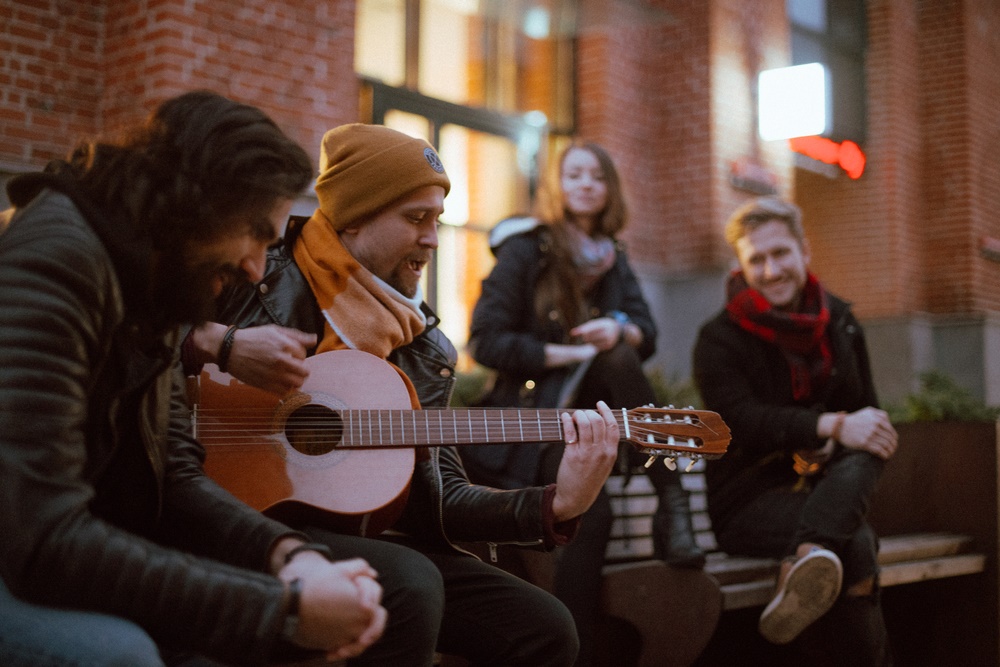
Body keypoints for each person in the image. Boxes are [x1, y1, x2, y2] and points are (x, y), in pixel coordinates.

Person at [181, 123, 622, 666]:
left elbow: (441, 496)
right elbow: (138, 338)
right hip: (227, 511)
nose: (433, 239)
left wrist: (558, 503)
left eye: (436, 219)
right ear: (355, 217)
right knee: (410, 583)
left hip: (360, 534)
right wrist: (220, 343)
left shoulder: (423, 345)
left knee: (546, 627)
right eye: (416, 219)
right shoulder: (256, 271)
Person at [0, 91, 388, 666]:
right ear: (196, 201)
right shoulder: (61, 258)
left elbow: (176, 474)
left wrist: (288, 556)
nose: (257, 267)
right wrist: (280, 611)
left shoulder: (152, 277)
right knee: (120, 656)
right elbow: (40, 537)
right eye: (255, 233)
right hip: (23, 547)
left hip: (56, 539)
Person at [459, 141, 704, 667]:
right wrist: (565, 351)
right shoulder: (527, 248)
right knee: (594, 509)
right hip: (530, 420)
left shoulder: (614, 255)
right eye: (574, 174)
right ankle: (672, 499)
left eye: (597, 175)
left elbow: (648, 333)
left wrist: (617, 327)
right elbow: (485, 341)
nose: (587, 184)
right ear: (557, 185)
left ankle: (673, 500)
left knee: (619, 356)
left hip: (587, 418)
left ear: (610, 188)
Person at [692, 196, 898, 664]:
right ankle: (814, 550)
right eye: (756, 260)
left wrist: (850, 432)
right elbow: (738, 423)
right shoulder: (718, 338)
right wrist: (832, 425)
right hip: (749, 501)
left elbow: (866, 417)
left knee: (872, 440)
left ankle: (806, 554)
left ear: (805, 251)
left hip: (828, 487)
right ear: (741, 268)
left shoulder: (841, 322)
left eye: (780, 253)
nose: (770, 270)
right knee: (856, 544)